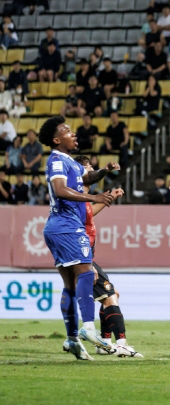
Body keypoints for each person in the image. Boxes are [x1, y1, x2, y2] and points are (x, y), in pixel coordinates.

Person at [38, 115, 118, 360]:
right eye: (67, 131)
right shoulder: (56, 161)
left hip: (60, 227)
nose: (73, 134)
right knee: (87, 273)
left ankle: (73, 338)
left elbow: (86, 178)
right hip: (66, 226)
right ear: (56, 139)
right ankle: (88, 327)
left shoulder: (70, 162)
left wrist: (103, 171)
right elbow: (61, 190)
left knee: (71, 286)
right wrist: (94, 198)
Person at [70, 155, 141, 357]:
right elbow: (76, 228)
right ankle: (122, 344)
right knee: (110, 298)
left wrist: (109, 197)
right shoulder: (75, 197)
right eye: (89, 168)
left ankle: (105, 342)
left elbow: (88, 213)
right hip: (83, 257)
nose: (92, 171)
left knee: (112, 295)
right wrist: (87, 265)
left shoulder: (80, 198)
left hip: (85, 257)